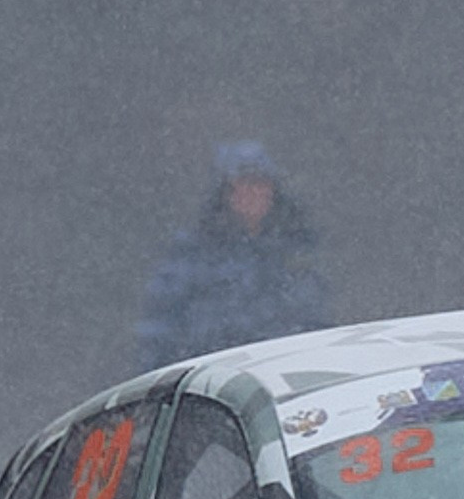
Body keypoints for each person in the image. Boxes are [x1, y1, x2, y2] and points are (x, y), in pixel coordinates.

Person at [137, 142, 332, 368]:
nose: (253, 193)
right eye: (243, 184)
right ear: (224, 192)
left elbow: (313, 319)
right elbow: (160, 324)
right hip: (212, 378)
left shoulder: (295, 249)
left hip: (281, 372)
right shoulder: (193, 252)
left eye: (260, 183)